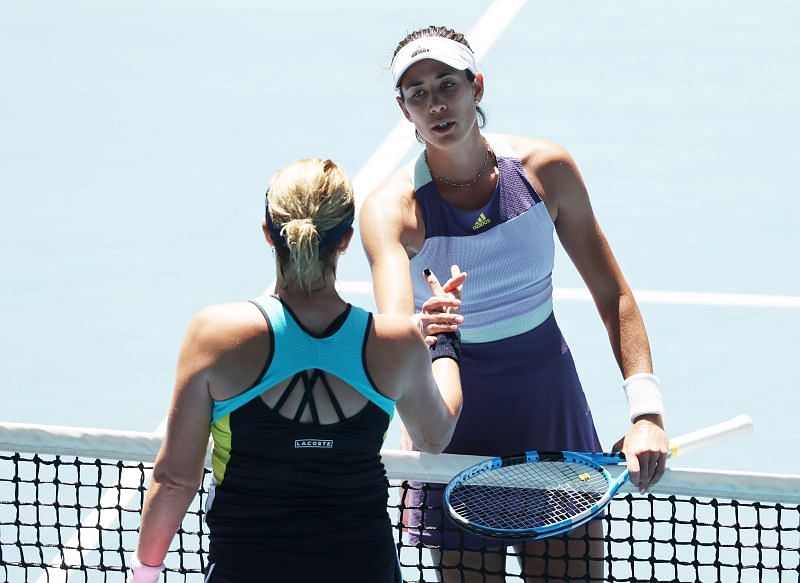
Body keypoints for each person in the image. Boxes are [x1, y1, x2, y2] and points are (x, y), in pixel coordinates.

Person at [359, 25, 669, 582]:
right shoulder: (391, 210)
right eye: (418, 93)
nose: (435, 103)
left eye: (446, 84)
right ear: (404, 109)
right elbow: (394, 332)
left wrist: (646, 414)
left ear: (477, 86)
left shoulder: (547, 171)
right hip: (453, 422)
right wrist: (418, 330)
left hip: (548, 410)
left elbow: (613, 295)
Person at [128, 158, 466, 583]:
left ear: (269, 233)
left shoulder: (215, 336)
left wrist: (146, 572)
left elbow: (175, 478)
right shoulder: (396, 344)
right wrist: (445, 339)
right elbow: (435, 437)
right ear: (345, 240)